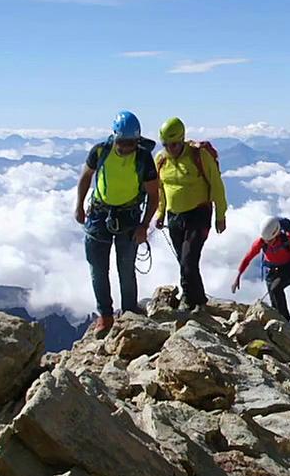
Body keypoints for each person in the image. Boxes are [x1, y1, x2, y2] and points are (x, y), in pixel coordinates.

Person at [74, 110, 160, 334]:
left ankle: (129, 312)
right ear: (114, 136)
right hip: (99, 215)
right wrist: (79, 206)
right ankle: (105, 315)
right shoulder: (100, 151)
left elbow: (154, 195)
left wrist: (144, 225)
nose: (126, 147)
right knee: (98, 268)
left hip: (129, 217)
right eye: (122, 142)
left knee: (126, 267)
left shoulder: (143, 157)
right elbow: (85, 177)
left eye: (131, 143)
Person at [153, 117, 227, 311]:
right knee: (185, 261)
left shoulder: (199, 155)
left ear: (182, 138)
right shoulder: (161, 160)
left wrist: (220, 215)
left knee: (188, 261)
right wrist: (160, 213)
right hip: (174, 216)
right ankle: (198, 299)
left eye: (174, 144)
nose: (170, 149)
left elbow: (217, 185)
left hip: (199, 213)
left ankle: (189, 299)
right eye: (166, 145)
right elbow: (160, 189)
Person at [233, 216, 290, 321]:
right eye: (266, 240)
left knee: (275, 288)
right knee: (273, 293)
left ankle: (284, 319)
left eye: (270, 240)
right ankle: (276, 316)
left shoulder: (288, 239)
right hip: (273, 268)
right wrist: (238, 276)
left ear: (277, 234)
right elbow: (248, 257)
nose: (268, 243)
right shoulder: (261, 242)